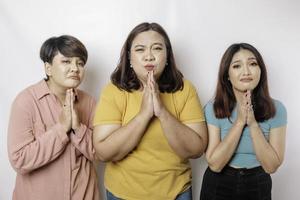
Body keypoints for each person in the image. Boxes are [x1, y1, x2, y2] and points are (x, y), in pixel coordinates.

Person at [93, 22, 208, 200]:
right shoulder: (114, 91)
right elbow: (103, 152)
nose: (149, 56)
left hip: (176, 192)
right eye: (140, 50)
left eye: (157, 48)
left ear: (167, 55)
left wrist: (161, 111)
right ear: (129, 58)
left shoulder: (185, 89)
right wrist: (144, 115)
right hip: (123, 194)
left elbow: (196, 149)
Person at [7, 35, 100, 200]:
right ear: (48, 68)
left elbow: (99, 153)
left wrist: (78, 128)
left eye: (80, 63)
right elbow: (19, 160)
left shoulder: (89, 102)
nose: (75, 68)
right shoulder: (26, 101)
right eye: (66, 61)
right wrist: (62, 129)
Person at [200, 43, 287, 200]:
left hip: (258, 183)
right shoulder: (214, 108)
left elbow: (271, 166)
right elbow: (215, 164)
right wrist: (240, 122)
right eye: (237, 66)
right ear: (227, 74)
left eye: (252, 64)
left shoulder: (277, 109)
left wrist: (253, 124)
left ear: (261, 71)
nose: (246, 71)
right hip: (219, 183)